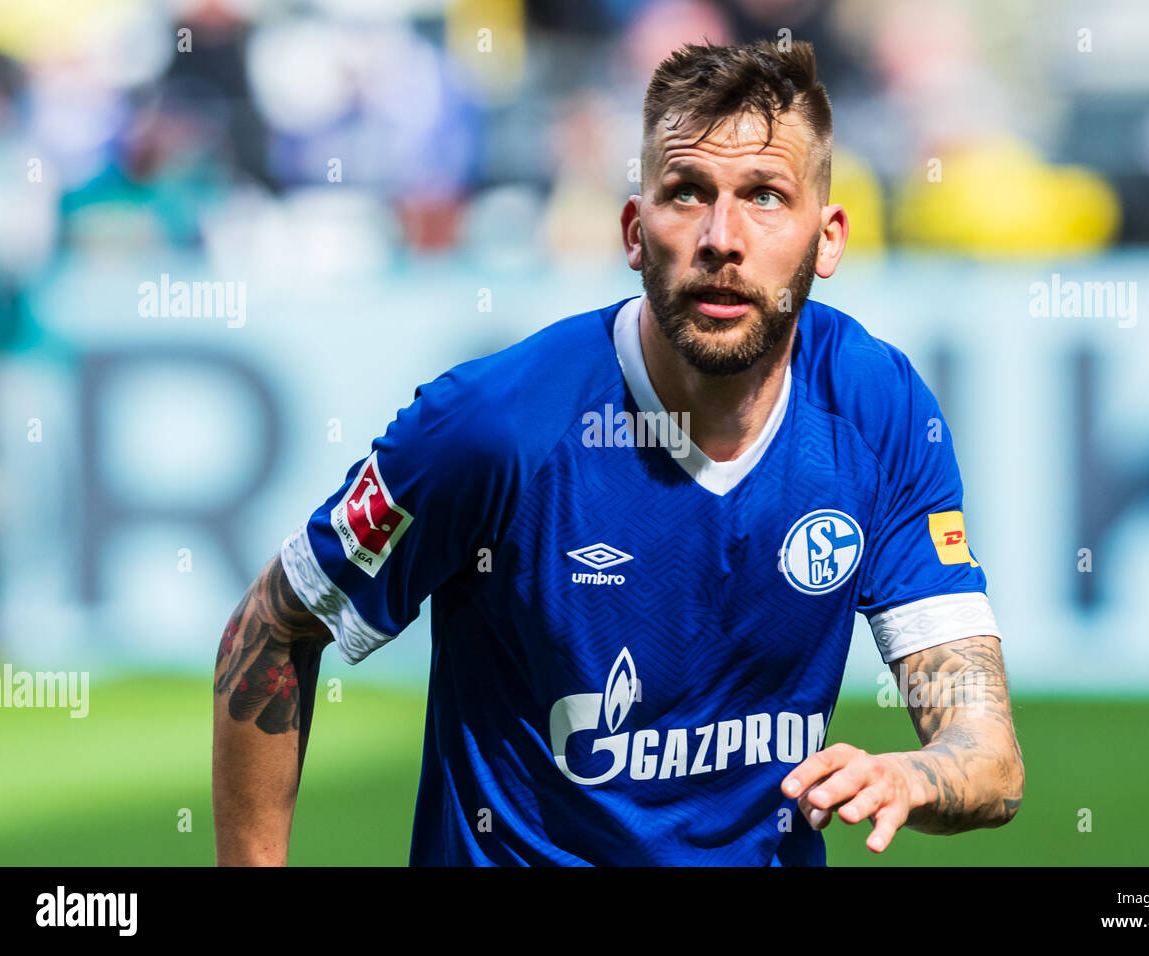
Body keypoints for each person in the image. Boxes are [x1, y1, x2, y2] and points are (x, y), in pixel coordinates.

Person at [212, 38, 1024, 866]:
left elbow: (989, 757)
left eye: (766, 196)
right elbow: (274, 629)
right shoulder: (495, 427)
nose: (722, 236)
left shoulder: (877, 409)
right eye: (686, 193)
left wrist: (920, 775)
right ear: (636, 231)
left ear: (828, 238)